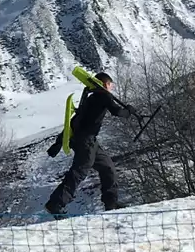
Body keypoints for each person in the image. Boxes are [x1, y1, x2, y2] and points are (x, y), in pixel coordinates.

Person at [44, 72, 137, 217]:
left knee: (108, 168)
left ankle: (111, 203)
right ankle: (55, 203)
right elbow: (117, 111)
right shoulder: (103, 96)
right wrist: (129, 111)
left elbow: (74, 120)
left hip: (88, 141)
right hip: (85, 142)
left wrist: (59, 141)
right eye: (110, 85)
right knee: (79, 171)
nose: (111, 88)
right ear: (106, 84)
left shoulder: (90, 98)